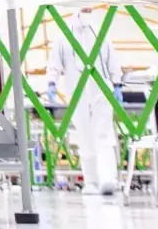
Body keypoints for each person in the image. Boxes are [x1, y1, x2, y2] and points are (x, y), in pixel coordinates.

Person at [48, 10, 121, 196]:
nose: (87, 13)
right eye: (84, 10)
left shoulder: (100, 33)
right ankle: (91, 181)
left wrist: (117, 82)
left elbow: (112, 60)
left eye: (89, 10)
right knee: (84, 135)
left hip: (101, 91)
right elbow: (54, 63)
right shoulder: (64, 36)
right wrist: (51, 82)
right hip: (76, 91)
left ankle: (107, 178)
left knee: (103, 134)